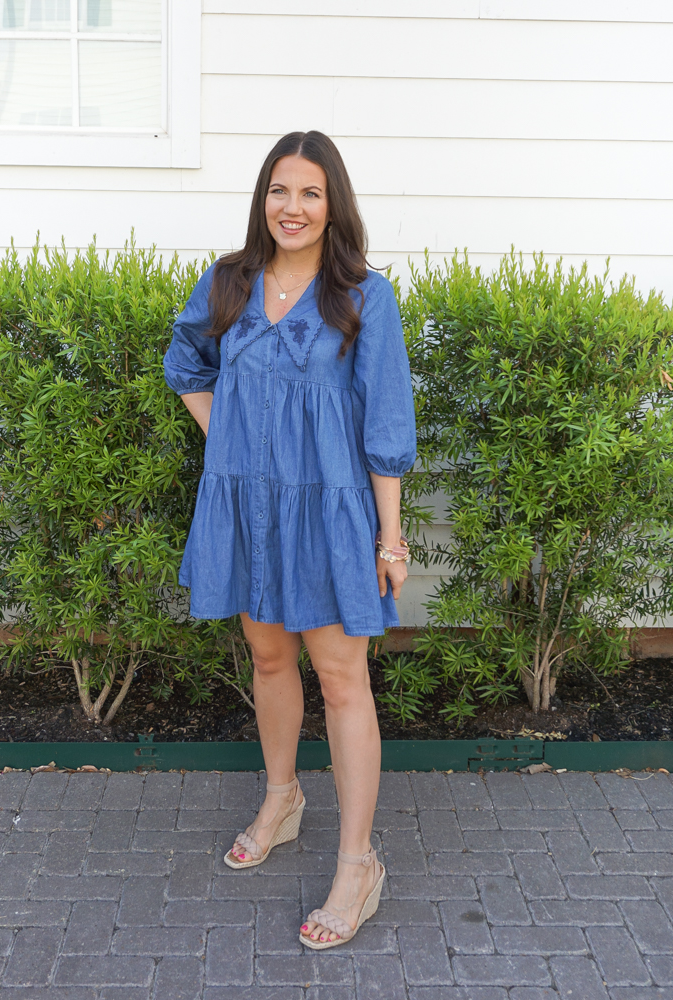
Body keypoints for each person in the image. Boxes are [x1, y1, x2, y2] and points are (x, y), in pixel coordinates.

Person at [163, 130, 416, 949]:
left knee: (343, 684)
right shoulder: (229, 281)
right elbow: (185, 362)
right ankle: (282, 796)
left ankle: (356, 865)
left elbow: (385, 423)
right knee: (268, 658)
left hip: (331, 515)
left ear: (333, 203)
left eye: (310, 193)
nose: (293, 208)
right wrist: (229, 439)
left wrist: (390, 537)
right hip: (247, 509)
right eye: (280, 191)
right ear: (262, 199)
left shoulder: (364, 298)